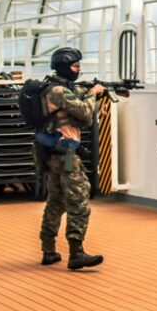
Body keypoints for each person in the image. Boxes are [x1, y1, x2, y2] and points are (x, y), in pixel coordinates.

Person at [36, 47, 106, 270]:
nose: (78, 70)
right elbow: (84, 114)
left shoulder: (56, 88)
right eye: (75, 66)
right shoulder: (58, 91)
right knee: (79, 199)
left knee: (56, 200)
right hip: (64, 153)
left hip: (52, 152)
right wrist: (94, 93)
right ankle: (76, 252)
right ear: (65, 66)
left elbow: (79, 114)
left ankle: (48, 250)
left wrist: (91, 97)